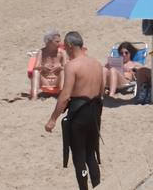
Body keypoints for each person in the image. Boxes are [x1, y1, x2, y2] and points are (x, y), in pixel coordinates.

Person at [45, 31, 104, 190]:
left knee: (79, 156)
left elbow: (65, 96)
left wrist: (53, 119)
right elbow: (101, 91)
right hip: (94, 112)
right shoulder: (97, 64)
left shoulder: (72, 66)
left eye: (65, 46)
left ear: (70, 46)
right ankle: (98, 186)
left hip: (79, 114)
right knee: (91, 154)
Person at [30, 29, 67, 100]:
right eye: (57, 41)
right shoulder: (41, 52)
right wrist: (43, 67)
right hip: (45, 80)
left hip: (57, 80)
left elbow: (66, 67)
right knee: (36, 71)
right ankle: (34, 96)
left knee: (63, 71)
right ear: (49, 42)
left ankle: (62, 94)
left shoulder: (62, 53)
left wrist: (60, 67)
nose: (60, 43)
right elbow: (35, 67)